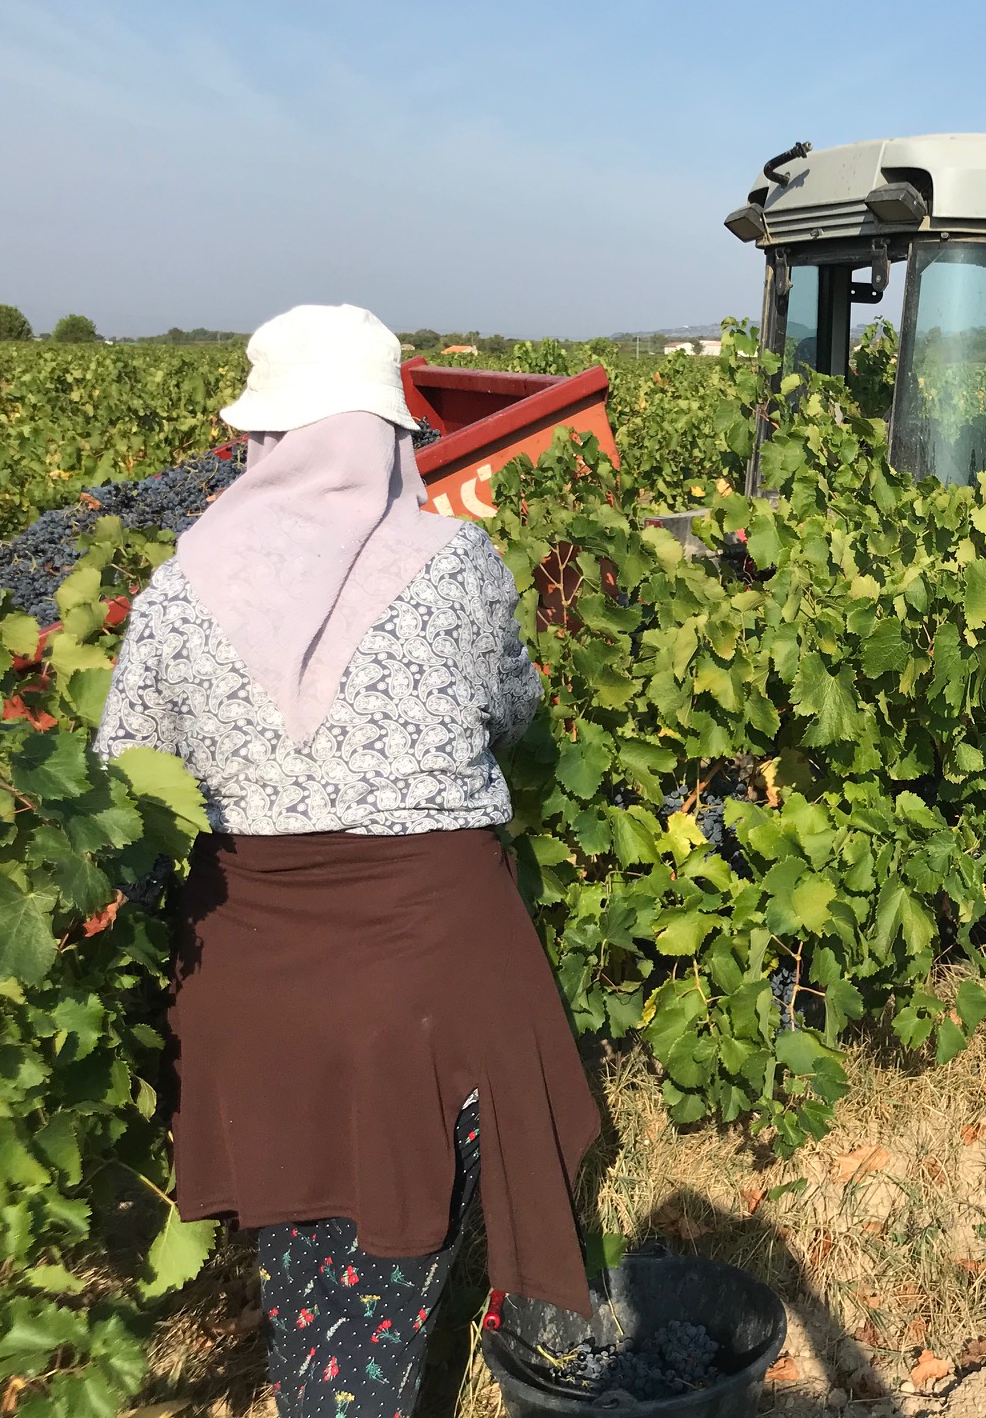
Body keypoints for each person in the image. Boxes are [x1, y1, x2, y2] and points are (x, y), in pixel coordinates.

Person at [97, 305, 599, 1418]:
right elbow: (510, 709)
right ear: (385, 436)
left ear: (264, 441)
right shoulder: (458, 563)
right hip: (429, 988)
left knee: (307, 1281)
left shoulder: (181, 587)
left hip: (256, 993)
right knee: (386, 1298)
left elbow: (124, 778)